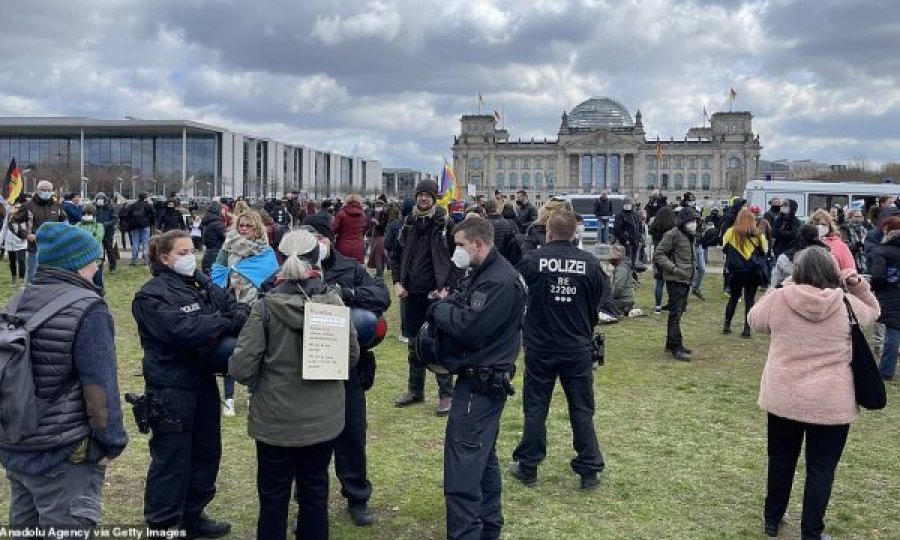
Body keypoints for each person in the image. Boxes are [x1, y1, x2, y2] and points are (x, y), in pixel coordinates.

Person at [231, 229, 360, 540]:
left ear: (279, 260)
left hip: (276, 421)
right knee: (315, 491)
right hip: (322, 420)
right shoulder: (334, 303)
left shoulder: (264, 307)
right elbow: (351, 355)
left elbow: (241, 366)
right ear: (317, 259)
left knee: (273, 496)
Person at [0, 222, 127, 532]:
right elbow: (99, 387)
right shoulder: (88, 307)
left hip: (17, 444)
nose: (98, 265)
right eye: (94, 259)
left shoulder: (17, 300)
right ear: (78, 262)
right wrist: (111, 443)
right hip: (63, 451)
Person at [748, 247, 879, 540]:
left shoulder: (780, 298)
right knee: (821, 468)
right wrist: (856, 284)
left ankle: (772, 519)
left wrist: (783, 286)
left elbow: (754, 319)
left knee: (781, 460)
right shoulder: (846, 304)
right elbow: (874, 311)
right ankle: (812, 530)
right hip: (831, 400)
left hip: (785, 397)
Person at [132, 230, 247, 536]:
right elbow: (184, 331)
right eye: (182, 252)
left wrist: (223, 319)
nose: (189, 257)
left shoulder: (201, 284)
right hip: (171, 387)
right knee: (172, 459)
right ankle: (163, 523)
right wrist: (223, 323)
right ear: (164, 257)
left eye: (191, 251)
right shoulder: (151, 295)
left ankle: (193, 515)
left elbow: (237, 309)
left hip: (202, 381)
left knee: (207, 451)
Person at [427, 217, 526, 540]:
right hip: (478, 380)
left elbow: (470, 327)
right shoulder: (483, 274)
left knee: (463, 471)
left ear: (477, 243)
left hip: (481, 383)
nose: (456, 252)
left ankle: (469, 532)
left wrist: (439, 311)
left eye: (459, 245)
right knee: (481, 462)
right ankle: (488, 529)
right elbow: (461, 302)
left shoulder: (498, 281)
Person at [510, 211, 606, 491]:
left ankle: (528, 465)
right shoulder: (590, 263)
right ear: (576, 234)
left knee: (536, 407)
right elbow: (600, 301)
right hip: (577, 346)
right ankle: (589, 469)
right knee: (582, 409)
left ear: (548, 233)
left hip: (540, 345)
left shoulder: (531, 262)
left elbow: (517, 297)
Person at [390, 179, 457, 415]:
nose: (423, 199)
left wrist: (448, 287)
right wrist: (397, 282)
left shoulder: (445, 223)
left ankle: (446, 394)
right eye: (420, 195)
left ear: (434, 198)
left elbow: (457, 260)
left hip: (437, 293)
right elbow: (395, 255)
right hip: (411, 292)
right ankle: (415, 390)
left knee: (437, 343)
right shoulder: (407, 223)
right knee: (413, 344)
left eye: (428, 195)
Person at [214, 210, 279, 417]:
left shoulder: (265, 251)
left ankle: (253, 393)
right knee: (230, 349)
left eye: (247, 226)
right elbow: (217, 271)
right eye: (240, 225)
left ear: (256, 228)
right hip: (231, 303)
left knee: (255, 349)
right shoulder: (228, 246)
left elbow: (272, 278)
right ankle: (229, 398)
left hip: (256, 305)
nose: (243, 229)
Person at [653, 207, 699, 361]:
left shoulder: (689, 235)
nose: (694, 224)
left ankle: (671, 343)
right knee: (675, 314)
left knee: (678, 313)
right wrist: (673, 268)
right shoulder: (673, 234)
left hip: (686, 279)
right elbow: (659, 254)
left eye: (695, 221)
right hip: (676, 279)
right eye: (691, 221)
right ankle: (676, 346)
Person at [721, 209, 768, 337]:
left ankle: (726, 325)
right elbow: (765, 250)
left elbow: (724, 246)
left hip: (736, 270)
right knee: (749, 299)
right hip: (752, 270)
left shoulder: (731, 231)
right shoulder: (758, 234)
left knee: (734, 297)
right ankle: (747, 329)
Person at [868, 215, 900, 381]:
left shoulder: (883, 251)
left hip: (891, 294)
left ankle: (886, 371)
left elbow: (878, 276)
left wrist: (875, 288)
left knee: (893, 333)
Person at [25, 181, 67, 283]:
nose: (46, 192)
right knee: (33, 276)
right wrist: (26, 235)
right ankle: (32, 296)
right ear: (37, 190)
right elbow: (14, 222)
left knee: (53, 276)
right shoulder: (28, 206)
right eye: (43, 190)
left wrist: (61, 234)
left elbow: (64, 221)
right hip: (35, 247)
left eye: (49, 190)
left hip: (53, 247)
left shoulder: (56, 205)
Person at [770, 224, 826, 289]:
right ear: (817, 237)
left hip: (790, 294)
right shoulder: (823, 255)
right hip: (818, 293)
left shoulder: (784, 258)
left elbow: (775, 282)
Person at [649, 206, 677, 314]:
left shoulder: (655, 227)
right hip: (671, 256)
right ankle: (672, 304)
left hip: (658, 256)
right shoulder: (673, 229)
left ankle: (657, 306)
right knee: (672, 282)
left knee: (659, 283)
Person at [1, 194, 30, 287]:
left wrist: (28, 234)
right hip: (10, 238)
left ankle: (22, 279)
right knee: (12, 260)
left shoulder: (26, 210)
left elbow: (29, 223)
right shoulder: (10, 211)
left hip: (21, 238)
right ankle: (13, 277)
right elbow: (5, 225)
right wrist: (1, 239)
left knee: (22, 260)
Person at [331, 194, 368, 264]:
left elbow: (333, 229)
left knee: (343, 269)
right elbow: (364, 230)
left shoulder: (341, 214)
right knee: (356, 270)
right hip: (358, 246)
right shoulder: (363, 215)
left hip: (343, 245)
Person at [77, 205, 107, 292]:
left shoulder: (99, 226)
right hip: (81, 257)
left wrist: (83, 239)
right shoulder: (78, 225)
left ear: (93, 215)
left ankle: (100, 295)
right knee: (83, 279)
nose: (87, 215)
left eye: (89, 213)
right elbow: (75, 238)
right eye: (85, 213)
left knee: (97, 279)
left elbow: (98, 238)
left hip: (96, 257)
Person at [484, 199, 521, 265]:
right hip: (504, 261)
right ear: (497, 209)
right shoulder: (508, 224)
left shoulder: (481, 224)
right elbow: (515, 244)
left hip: (485, 261)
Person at [608, 245, 639, 316]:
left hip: (624, 301)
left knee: (603, 305)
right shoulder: (620, 267)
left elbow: (618, 287)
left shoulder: (621, 268)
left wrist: (610, 298)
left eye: (612, 253)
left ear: (619, 255)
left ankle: (625, 309)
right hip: (624, 300)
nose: (610, 256)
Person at [614, 196, 643, 269]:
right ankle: (625, 273)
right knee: (625, 260)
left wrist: (639, 235)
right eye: (625, 204)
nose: (627, 205)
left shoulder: (635, 214)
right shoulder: (620, 215)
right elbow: (617, 228)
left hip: (635, 240)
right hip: (625, 241)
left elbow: (639, 225)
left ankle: (632, 273)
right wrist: (624, 238)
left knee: (633, 260)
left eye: (628, 204)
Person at [126, 192, 155, 265]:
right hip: (145, 225)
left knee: (135, 243)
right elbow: (152, 216)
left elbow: (128, 216)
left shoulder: (132, 205)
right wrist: (150, 223)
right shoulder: (148, 206)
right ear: (146, 197)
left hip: (134, 226)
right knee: (145, 243)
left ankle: (134, 260)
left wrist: (130, 224)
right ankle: (146, 260)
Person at [94, 193, 119, 275]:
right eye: (98, 198)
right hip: (98, 232)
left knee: (110, 250)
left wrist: (106, 224)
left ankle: (112, 268)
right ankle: (99, 267)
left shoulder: (110, 207)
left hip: (108, 232)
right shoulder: (95, 208)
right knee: (99, 251)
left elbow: (115, 219)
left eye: (101, 198)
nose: (100, 200)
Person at [200, 202, 227, 274]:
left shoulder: (207, 222)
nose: (224, 211)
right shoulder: (217, 223)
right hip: (216, 254)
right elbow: (228, 237)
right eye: (223, 209)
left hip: (208, 253)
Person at [367, 199, 390, 280]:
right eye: (376, 205)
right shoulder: (372, 213)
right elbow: (369, 224)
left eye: (379, 206)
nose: (378, 207)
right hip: (374, 236)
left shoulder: (385, 214)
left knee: (380, 254)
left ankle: (380, 273)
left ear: (382, 206)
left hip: (381, 236)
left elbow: (383, 225)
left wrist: (377, 223)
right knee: (374, 254)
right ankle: (378, 272)